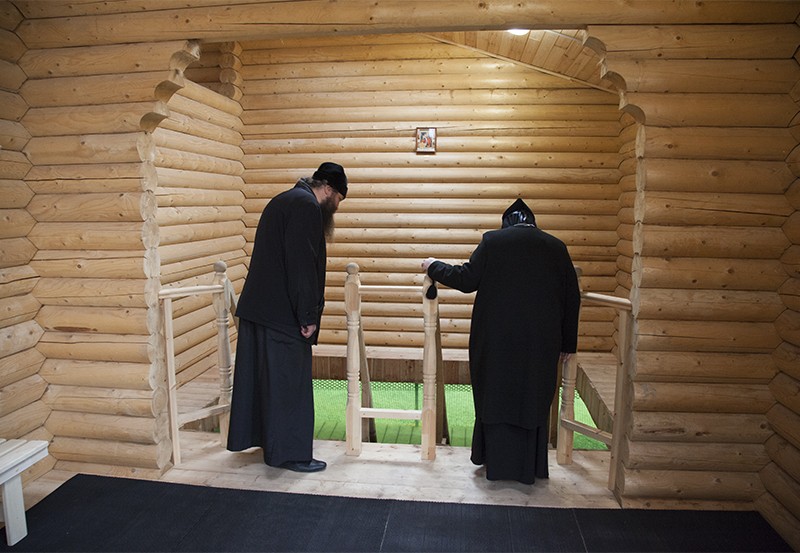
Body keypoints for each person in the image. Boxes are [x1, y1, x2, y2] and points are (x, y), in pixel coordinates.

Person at [421, 198, 581, 484]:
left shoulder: (493, 241)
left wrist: (434, 266)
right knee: (532, 396)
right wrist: (568, 343)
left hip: (496, 341)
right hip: (539, 343)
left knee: (495, 395)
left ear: (506, 222)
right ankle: (530, 468)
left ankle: (494, 462)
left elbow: (466, 279)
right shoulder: (556, 247)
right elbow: (572, 298)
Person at [227, 162, 348, 473]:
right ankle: (290, 455)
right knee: (288, 385)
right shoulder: (306, 207)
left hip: (261, 310)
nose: (336, 208)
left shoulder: (284, 199)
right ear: (329, 190)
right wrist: (307, 316)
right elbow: (301, 266)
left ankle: (271, 445)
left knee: (267, 384)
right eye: (338, 200)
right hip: (282, 315)